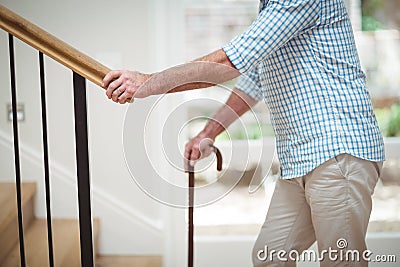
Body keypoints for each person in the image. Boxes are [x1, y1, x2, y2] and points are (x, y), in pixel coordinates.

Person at [102, 0, 385, 265]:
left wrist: (149, 82)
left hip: (338, 152)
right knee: (270, 258)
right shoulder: (271, 9)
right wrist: (208, 133)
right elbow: (253, 81)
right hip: (301, 159)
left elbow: (228, 63)